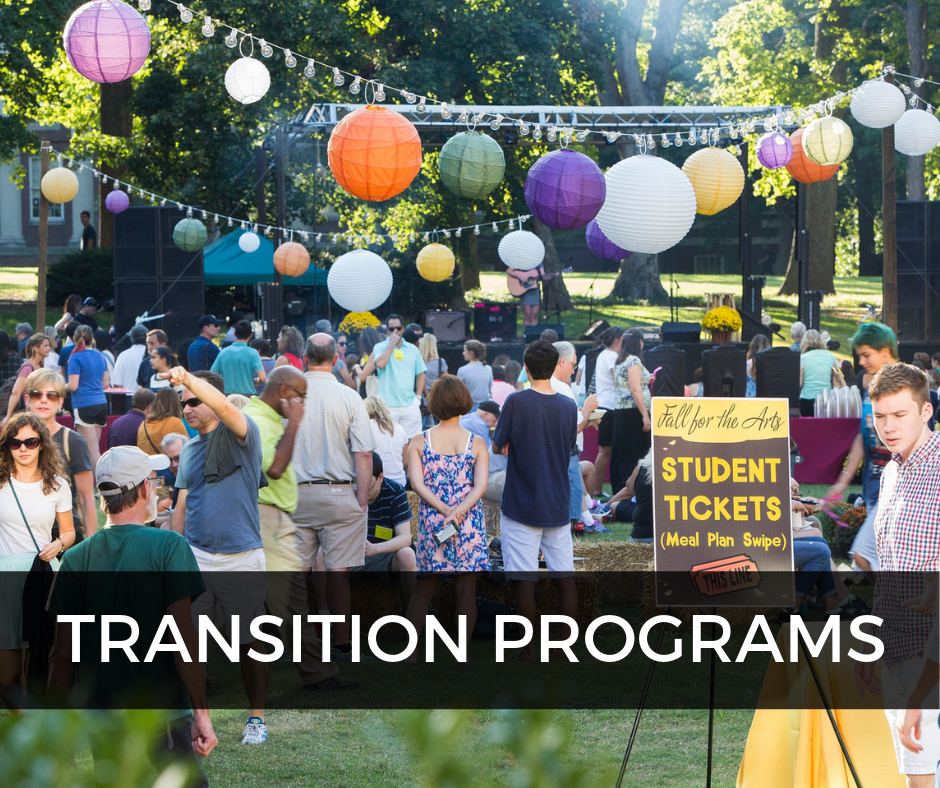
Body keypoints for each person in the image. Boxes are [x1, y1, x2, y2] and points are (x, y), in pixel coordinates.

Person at [47, 445, 218, 777]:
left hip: (101, 715)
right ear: (143, 489)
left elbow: (62, 656)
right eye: (153, 480)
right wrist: (202, 714)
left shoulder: (75, 558)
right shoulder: (169, 546)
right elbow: (183, 638)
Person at [167, 366, 269, 745]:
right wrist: (173, 555)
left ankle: (256, 719)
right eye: (184, 403)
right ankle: (198, 718)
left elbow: (225, 408)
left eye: (195, 401)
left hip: (241, 556)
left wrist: (187, 379)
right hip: (195, 556)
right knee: (186, 641)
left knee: (250, 641)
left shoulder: (243, 434)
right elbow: (181, 506)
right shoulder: (188, 449)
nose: (187, 409)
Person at [853, 363, 940, 788]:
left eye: (900, 415)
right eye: (880, 416)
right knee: (916, 778)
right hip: (900, 648)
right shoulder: (891, 472)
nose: (887, 427)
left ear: (926, 411)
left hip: (929, 656)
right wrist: (874, 644)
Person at [242, 366, 354, 691]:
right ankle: (318, 673)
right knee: (291, 601)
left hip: (270, 517)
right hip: (268, 518)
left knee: (279, 601)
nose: (302, 403)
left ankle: (317, 671)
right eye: (300, 396)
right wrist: (294, 423)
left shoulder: (259, 417)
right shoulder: (260, 421)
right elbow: (275, 469)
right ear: (283, 391)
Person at [491, 340, 578, 661]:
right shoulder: (568, 405)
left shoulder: (516, 401)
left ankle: (527, 649)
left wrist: (508, 442)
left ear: (525, 368)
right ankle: (565, 646)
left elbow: (497, 443)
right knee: (565, 578)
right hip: (557, 501)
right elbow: (568, 445)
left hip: (521, 503)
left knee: (524, 581)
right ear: (555, 367)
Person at [291, 333, 373, 661]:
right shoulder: (349, 396)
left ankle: (295, 642)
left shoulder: (289, 394)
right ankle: (341, 642)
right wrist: (362, 499)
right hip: (338, 492)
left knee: (296, 574)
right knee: (339, 572)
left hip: (294, 494)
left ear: (304, 358)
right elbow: (363, 453)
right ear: (335, 359)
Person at [404, 374, 489, 661]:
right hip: (467, 521)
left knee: (422, 591)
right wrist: (458, 512)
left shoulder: (419, 441)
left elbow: (417, 485)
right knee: (466, 590)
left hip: (434, 520)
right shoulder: (477, 442)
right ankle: (461, 651)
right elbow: (480, 487)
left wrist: (444, 510)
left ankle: (411, 653)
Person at [0, 412, 74, 710]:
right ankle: (21, 720)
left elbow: (69, 532)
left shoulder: (57, 485)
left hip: (43, 573)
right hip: (5, 573)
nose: (23, 448)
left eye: (30, 442)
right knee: (6, 672)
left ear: (42, 443)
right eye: (15, 442)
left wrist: (58, 544)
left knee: (40, 661)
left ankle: (33, 725)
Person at [826, 322, 899, 578]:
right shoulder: (872, 388)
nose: (861, 361)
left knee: (863, 554)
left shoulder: (908, 386)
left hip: (899, 489)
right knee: (878, 558)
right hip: (874, 486)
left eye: (867, 355)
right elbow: (863, 436)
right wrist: (843, 480)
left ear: (885, 351)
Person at [23, 369, 97, 539]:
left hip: (65, 534)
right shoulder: (13, 441)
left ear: (60, 402)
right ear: (27, 399)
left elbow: (86, 499)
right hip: (23, 537)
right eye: (37, 394)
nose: (44, 400)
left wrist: (92, 546)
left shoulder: (73, 441)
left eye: (51, 395)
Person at [350, 452, 418, 609]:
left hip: (385, 558)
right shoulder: (348, 490)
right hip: (352, 557)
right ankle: (325, 615)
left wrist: (374, 549)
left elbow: (405, 538)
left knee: (407, 554)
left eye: (367, 484)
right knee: (321, 555)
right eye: (357, 482)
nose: (361, 489)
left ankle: (413, 614)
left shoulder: (395, 491)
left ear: (380, 477)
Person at [552, 341, 603, 534]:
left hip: (560, 453)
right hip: (566, 453)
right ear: (562, 362)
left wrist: (585, 417)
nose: (574, 371)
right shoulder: (560, 387)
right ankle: (582, 522)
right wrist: (588, 409)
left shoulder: (550, 386)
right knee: (574, 489)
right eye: (573, 365)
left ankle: (586, 517)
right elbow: (571, 429)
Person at [367, 314, 426, 439]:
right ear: (387, 331)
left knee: (413, 440)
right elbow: (380, 364)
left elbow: (421, 373)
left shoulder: (413, 349)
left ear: (403, 329)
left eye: (398, 328)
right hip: (387, 405)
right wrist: (392, 344)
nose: (395, 331)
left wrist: (418, 397)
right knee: (389, 441)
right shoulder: (380, 347)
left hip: (410, 404)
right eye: (391, 329)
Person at [610, 331, 652, 494]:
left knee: (622, 450)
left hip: (621, 410)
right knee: (634, 452)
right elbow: (635, 389)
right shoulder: (633, 361)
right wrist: (645, 415)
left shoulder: (620, 361)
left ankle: (620, 487)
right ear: (638, 342)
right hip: (633, 412)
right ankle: (630, 489)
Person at [66, 325, 109, 468]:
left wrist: (58, 386)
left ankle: (104, 481)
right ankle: (96, 481)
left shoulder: (75, 357)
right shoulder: (100, 356)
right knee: (94, 449)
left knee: (91, 452)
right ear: (93, 338)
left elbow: (73, 386)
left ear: (74, 338)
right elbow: (105, 384)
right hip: (101, 404)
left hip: (84, 404)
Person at [589, 326, 623, 500]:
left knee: (605, 450)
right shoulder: (612, 356)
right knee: (606, 450)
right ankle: (597, 489)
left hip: (604, 405)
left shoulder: (603, 354)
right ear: (617, 340)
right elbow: (618, 382)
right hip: (610, 407)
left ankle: (597, 489)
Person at [3, 333, 51, 427]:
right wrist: (8, 416)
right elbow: (16, 392)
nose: (49, 348)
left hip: (38, 412)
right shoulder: (28, 368)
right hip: (29, 415)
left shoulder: (40, 365)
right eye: (45, 346)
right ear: (36, 348)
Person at [607, 450, 654, 541]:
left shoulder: (641, 467)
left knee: (615, 506)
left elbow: (630, 490)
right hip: (674, 537)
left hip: (641, 535)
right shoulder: (681, 469)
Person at [211, 319, 266, 396]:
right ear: (251, 335)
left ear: (235, 334)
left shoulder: (223, 352)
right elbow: (263, 378)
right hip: (247, 397)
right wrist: (255, 381)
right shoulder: (253, 353)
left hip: (227, 397)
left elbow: (212, 375)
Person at [366, 395, 409, 486]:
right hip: (399, 482)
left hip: (377, 483)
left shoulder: (367, 426)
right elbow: (406, 462)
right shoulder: (400, 428)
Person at [799, 328, 840, 416]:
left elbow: (799, 382)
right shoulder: (831, 356)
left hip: (807, 398)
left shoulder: (803, 358)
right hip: (827, 397)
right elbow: (839, 375)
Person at [139, 387, 187, 456]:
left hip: (145, 462)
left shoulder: (143, 424)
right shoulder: (175, 423)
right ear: (176, 403)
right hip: (167, 462)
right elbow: (188, 449)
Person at [110, 324, 149, 392]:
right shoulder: (152, 355)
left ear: (131, 338)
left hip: (128, 396)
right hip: (149, 396)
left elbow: (117, 384)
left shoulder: (123, 355)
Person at [456, 339, 493, 409]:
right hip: (486, 407)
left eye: (464, 350)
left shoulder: (462, 370)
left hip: (469, 406)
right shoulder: (488, 368)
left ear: (471, 352)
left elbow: (458, 391)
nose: (463, 353)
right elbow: (490, 388)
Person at [354, 327, 383, 398]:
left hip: (371, 394)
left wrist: (356, 366)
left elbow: (363, 376)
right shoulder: (382, 352)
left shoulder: (374, 354)